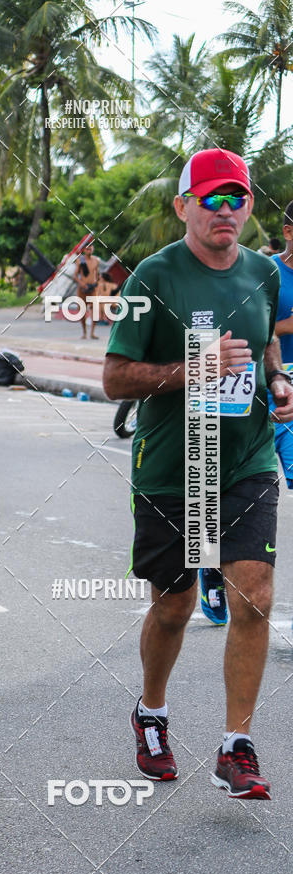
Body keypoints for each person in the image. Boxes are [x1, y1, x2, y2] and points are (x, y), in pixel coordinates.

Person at [103, 148, 293, 800]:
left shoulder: (265, 272)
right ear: (183, 205)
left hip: (244, 458)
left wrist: (277, 376)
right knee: (176, 605)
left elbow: (265, 338)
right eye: (212, 199)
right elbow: (113, 378)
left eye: (237, 198)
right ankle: (151, 712)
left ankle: (235, 745)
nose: (226, 210)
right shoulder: (151, 277)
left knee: (254, 593)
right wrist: (194, 369)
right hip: (171, 467)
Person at [200, 198, 293, 627]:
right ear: (288, 233)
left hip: (287, 398)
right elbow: (259, 327)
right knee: (216, 492)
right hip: (243, 393)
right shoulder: (264, 273)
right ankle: (211, 569)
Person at [75, 240, 100, 339]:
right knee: (82, 311)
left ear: (93, 249)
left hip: (92, 288)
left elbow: (97, 275)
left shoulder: (96, 261)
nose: (89, 250)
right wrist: (81, 283)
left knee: (95, 310)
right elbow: (75, 275)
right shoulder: (80, 260)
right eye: (87, 249)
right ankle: (84, 332)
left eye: (91, 248)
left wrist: (96, 283)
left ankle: (92, 333)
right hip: (82, 288)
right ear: (84, 250)